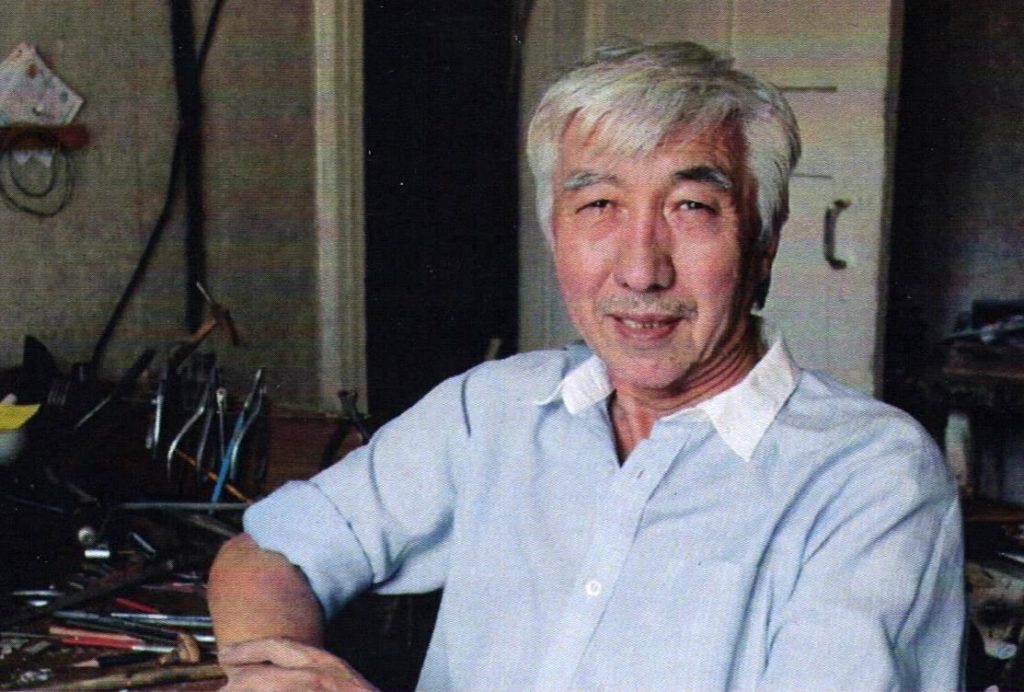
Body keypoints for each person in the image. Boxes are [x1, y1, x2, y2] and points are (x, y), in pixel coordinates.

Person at [208, 41, 964, 691]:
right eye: (599, 205)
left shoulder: (870, 476)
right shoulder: (492, 411)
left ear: (763, 242)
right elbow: (268, 555)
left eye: (692, 208)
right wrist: (281, 673)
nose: (640, 271)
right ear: (554, 233)